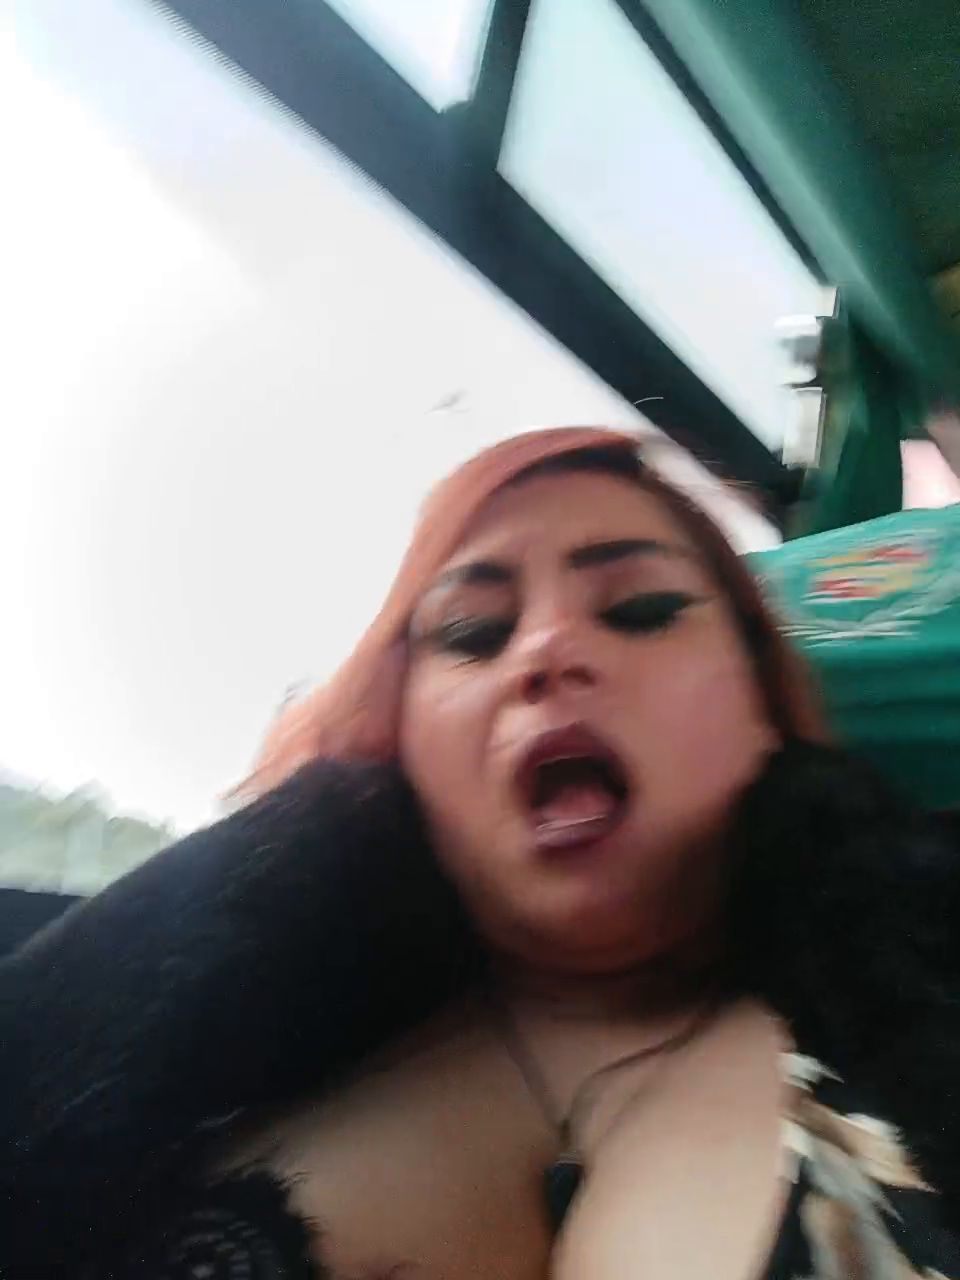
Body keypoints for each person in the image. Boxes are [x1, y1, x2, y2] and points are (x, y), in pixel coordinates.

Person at [3, 427, 959, 1280]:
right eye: (473, 633)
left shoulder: (922, 960)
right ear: (403, 743)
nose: (547, 647)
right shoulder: (239, 1049)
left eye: (640, 608)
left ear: (761, 704)